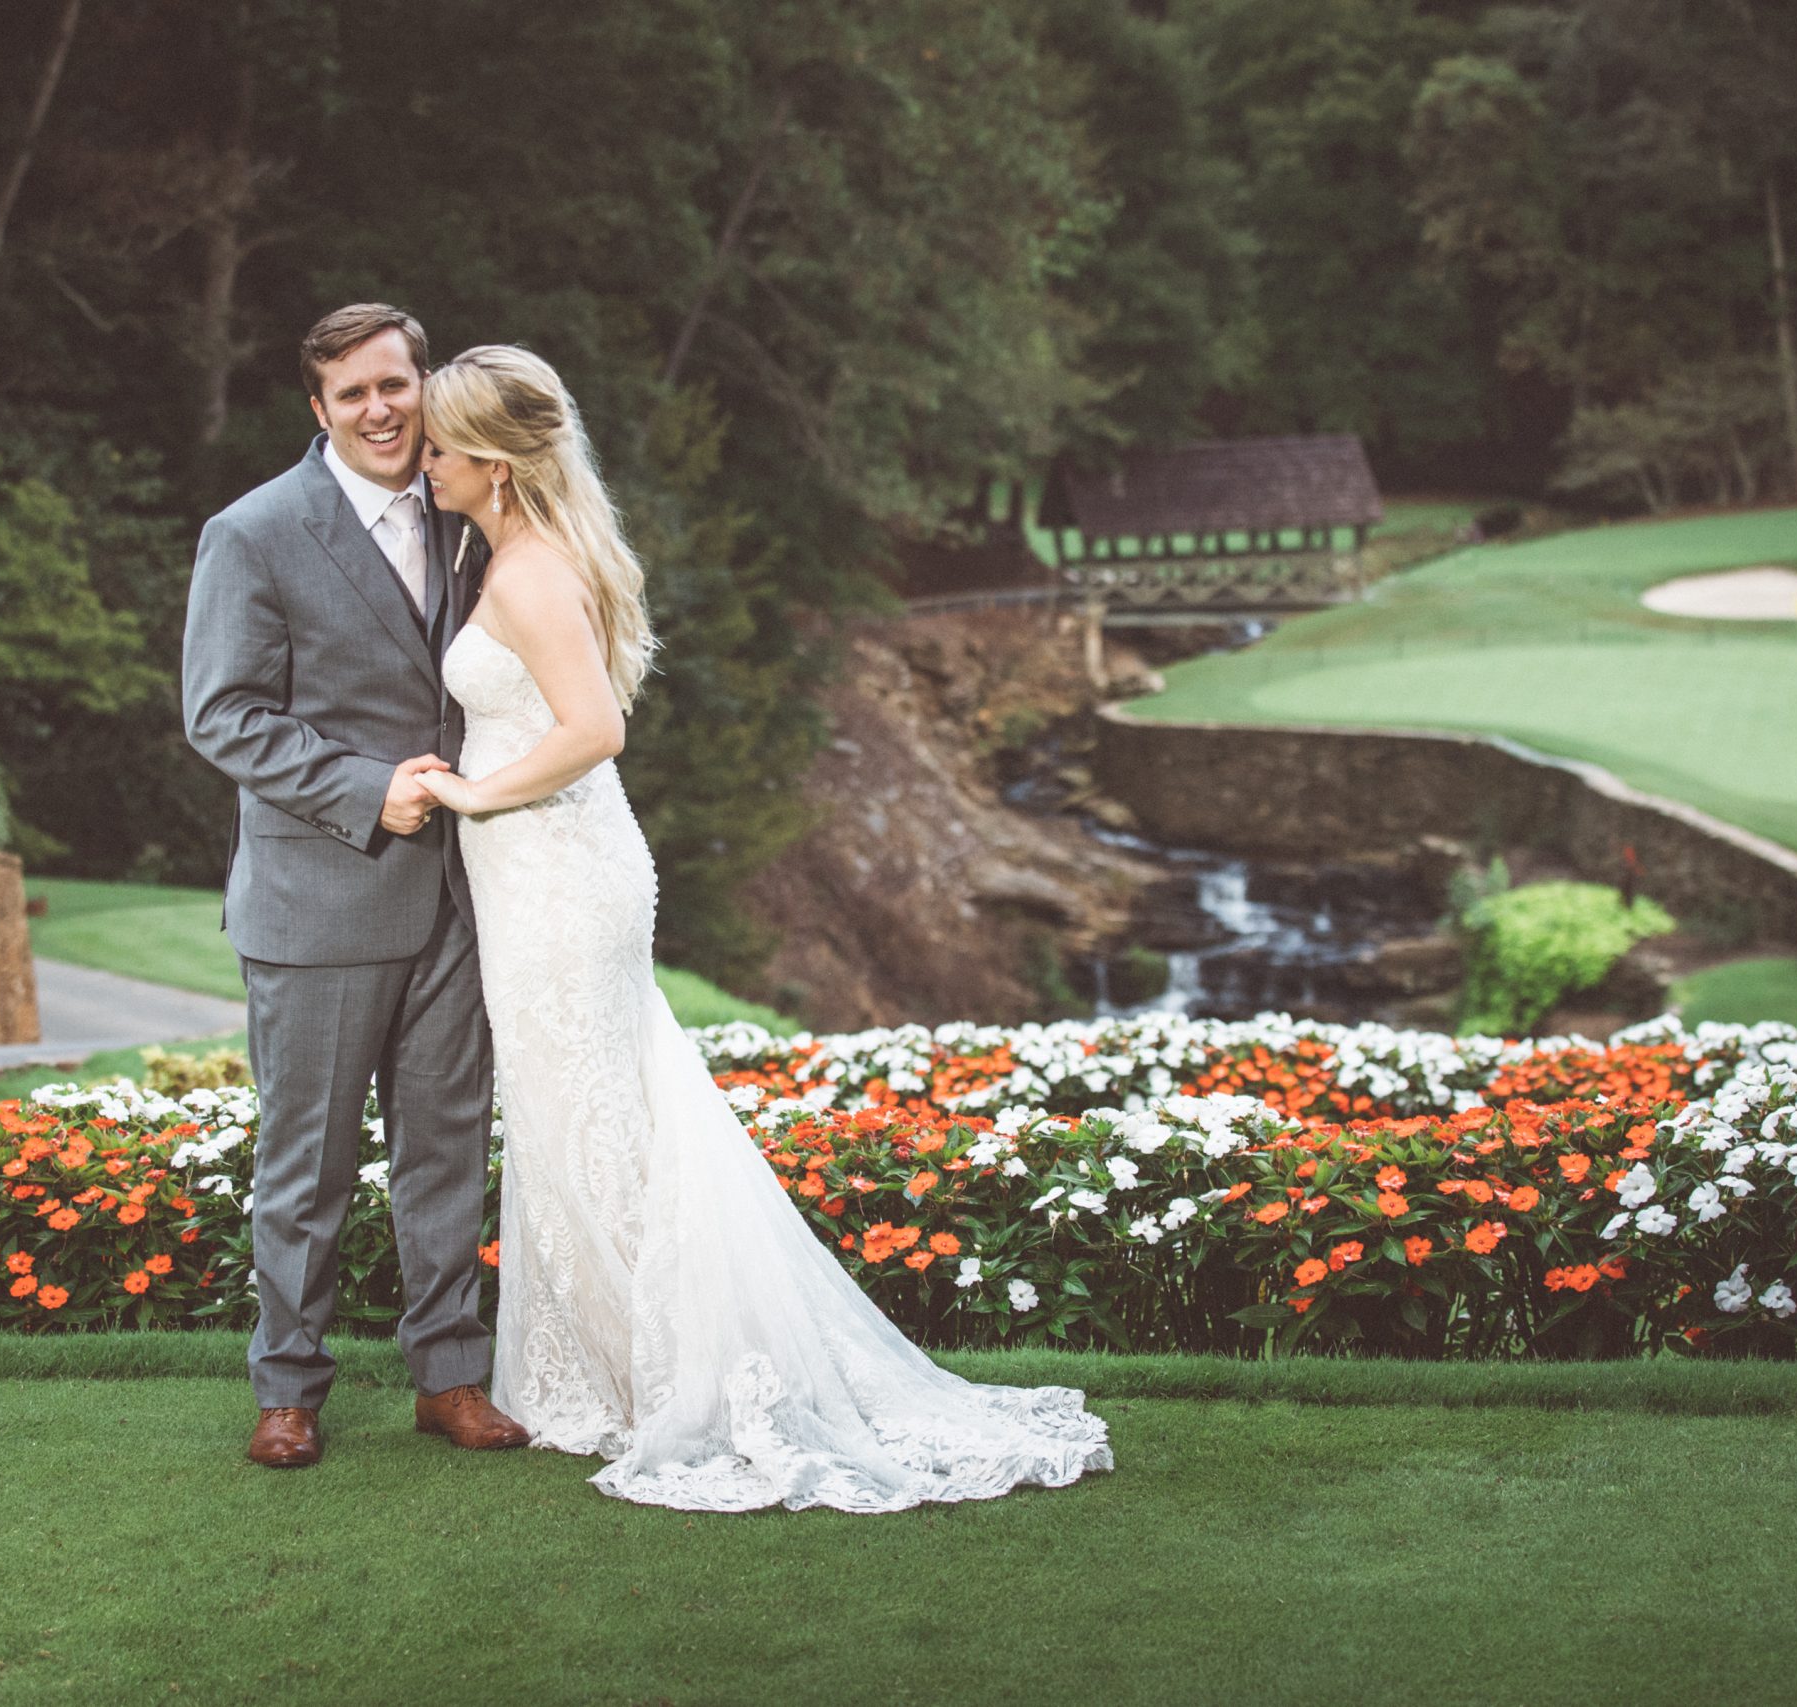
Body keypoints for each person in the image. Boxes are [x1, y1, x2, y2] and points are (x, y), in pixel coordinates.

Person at [413, 345, 1114, 1512]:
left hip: (558, 874)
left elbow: (591, 729)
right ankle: (620, 1372)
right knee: (574, 1119)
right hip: (545, 872)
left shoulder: (531, 572)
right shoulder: (516, 551)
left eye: (440, 447)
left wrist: (473, 793)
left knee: (593, 1120)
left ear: (490, 460)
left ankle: (683, 1379)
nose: (423, 463)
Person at [181, 304, 531, 1468]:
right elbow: (221, 715)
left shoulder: (471, 511)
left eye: (396, 383)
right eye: (353, 394)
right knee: (307, 1166)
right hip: (320, 900)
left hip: (456, 897)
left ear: (423, 384)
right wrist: (363, 788)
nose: (381, 409)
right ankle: (288, 1391)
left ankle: (450, 1379)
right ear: (318, 410)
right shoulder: (255, 532)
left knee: (445, 1151)